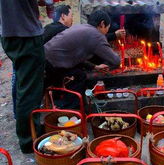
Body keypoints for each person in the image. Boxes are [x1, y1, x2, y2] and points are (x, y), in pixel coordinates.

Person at [44, 10, 120, 101]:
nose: (107, 31)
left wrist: (94, 67)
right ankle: (72, 109)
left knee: (78, 74)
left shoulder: (81, 27)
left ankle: (66, 106)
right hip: (51, 64)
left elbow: (75, 56)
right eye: (108, 27)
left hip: (44, 58)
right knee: (78, 77)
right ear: (102, 24)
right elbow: (116, 60)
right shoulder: (96, 35)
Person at [0, 0, 45, 153]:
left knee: (23, 84)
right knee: (30, 91)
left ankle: (27, 131)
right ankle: (29, 139)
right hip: (26, 35)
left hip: (8, 34)